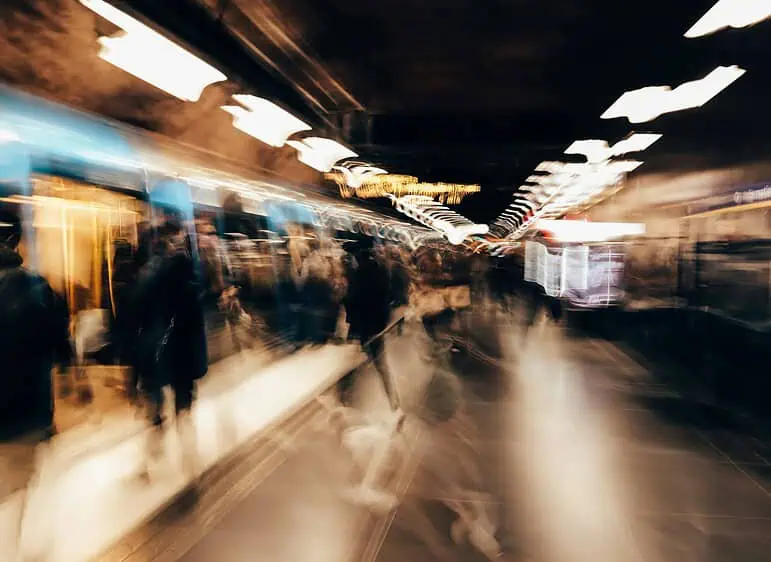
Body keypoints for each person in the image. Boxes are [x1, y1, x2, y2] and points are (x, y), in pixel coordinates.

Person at [0, 208, 71, 560]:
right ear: (17, 243)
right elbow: (59, 345)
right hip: (26, 410)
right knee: (18, 483)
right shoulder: (38, 287)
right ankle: (14, 547)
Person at [130, 215, 208, 477]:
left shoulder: (148, 277)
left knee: (154, 405)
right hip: (184, 352)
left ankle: (150, 458)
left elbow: (135, 318)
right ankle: (189, 454)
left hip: (156, 350)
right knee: (184, 404)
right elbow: (197, 322)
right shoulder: (189, 277)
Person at [344, 237, 397, 410]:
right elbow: (389, 296)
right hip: (377, 323)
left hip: (363, 324)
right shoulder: (382, 270)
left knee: (360, 359)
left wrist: (351, 320)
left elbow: (353, 299)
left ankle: (347, 397)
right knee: (380, 364)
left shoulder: (359, 273)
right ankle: (393, 401)